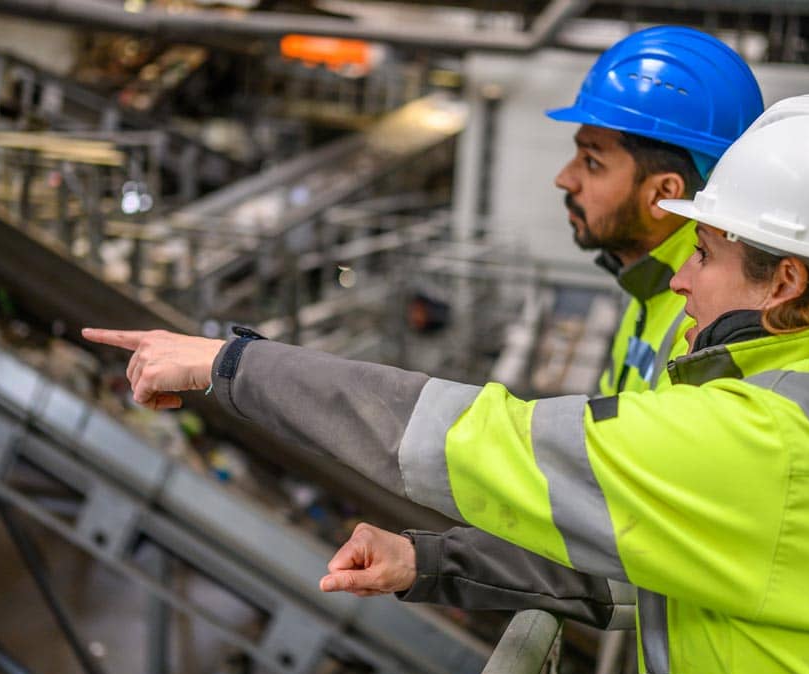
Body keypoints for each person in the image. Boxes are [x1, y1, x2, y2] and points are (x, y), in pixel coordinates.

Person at [84, 94, 809, 674]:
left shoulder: (776, 438)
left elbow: (483, 442)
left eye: (710, 257)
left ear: (784, 282)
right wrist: (429, 562)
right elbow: (638, 570)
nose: (682, 282)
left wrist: (228, 365)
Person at [323, 24, 768, 631]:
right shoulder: (649, 296)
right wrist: (428, 559)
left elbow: (641, 537)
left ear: (663, 194)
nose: (565, 178)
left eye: (591, 160)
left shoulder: (706, 328)